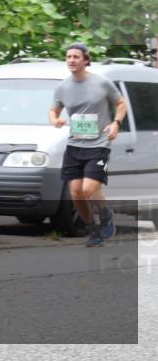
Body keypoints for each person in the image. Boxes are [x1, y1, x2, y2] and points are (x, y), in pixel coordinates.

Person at [48, 42, 126, 247]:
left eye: (75, 57)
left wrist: (116, 123)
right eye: (68, 57)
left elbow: (120, 103)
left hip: (99, 144)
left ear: (86, 60)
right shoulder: (62, 87)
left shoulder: (102, 83)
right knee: (75, 193)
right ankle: (93, 229)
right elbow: (53, 110)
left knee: (88, 189)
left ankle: (105, 214)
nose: (71, 60)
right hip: (75, 145)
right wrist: (55, 120)